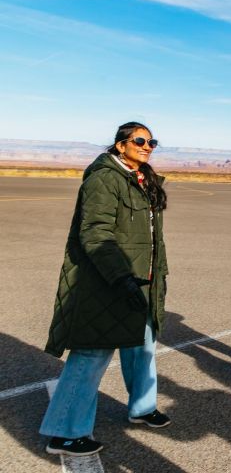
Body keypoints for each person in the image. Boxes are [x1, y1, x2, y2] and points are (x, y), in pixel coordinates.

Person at [41, 122, 171, 457]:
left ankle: (142, 407)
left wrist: (149, 276)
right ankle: (64, 432)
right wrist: (120, 277)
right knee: (92, 352)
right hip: (107, 280)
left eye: (151, 142)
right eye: (140, 141)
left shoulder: (141, 179)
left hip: (141, 278)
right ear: (120, 144)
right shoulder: (104, 177)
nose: (147, 146)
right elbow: (95, 233)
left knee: (143, 343)